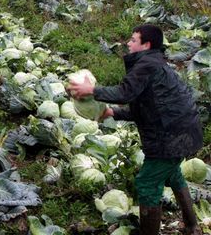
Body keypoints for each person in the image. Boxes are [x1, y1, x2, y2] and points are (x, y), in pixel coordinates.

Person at [68, 24, 203, 235]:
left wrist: (92, 90)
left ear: (146, 44)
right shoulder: (154, 63)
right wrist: (112, 113)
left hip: (171, 136)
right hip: (181, 132)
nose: (128, 44)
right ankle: (192, 227)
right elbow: (147, 107)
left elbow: (124, 92)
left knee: (147, 183)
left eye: (133, 40)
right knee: (173, 173)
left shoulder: (147, 64)